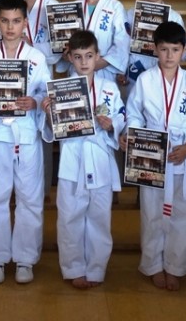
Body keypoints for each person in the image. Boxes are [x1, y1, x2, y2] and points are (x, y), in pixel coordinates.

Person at [124, 21, 186, 291]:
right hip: (151, 152)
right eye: (163, 49)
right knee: (152, 212)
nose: (169, 55)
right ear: (155, 49)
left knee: (185, 213)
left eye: (175, 49)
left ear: (184, 50)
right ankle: (153, 265)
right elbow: (134, 114)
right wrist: (136, 137)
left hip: (184, 153)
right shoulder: (145, 81)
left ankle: (176, 266)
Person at [0, 0, 51, 285]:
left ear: (25, 23)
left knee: (29, 199)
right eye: (5, 21)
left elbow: (46, 94)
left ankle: (25, 259)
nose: (10, 27)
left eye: (16, 21)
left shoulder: (36, 58)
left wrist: (36, 102)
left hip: (27, 134)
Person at [42, 30, 124, 289]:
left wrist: (112, 125)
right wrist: (48, 113)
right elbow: (52, 130)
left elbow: (121, 118)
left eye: (89, 56)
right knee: (69, 217)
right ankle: (74, 268)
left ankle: (97, 269)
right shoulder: (61, 89)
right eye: (78, 57)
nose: (84, 62)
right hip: (72, 158)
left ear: (97, 56)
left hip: (99, 157)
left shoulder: (109, 88)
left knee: (100, 217)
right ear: (70, 58)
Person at [17, 0, 59, 199]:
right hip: (13, 74)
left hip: (42, 73)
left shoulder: (53, 7)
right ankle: (17, 189)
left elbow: (59, 50)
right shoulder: (11, 3)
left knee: (42, 129)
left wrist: (33, 46)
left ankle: (42, 190)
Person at [57, 0, 129, 84]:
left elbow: (122, 42)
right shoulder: (72, 8)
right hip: (77, 70)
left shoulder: (115, 7)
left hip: (104, 71)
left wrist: (97, 63)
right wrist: (65, 53)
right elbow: (64, 43)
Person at [120, 0, 186, 96]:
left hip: (163, 72)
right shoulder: (129, 15)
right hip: (134, 72)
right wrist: (120, 70)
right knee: (134, 105)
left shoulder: (174, 17)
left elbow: (184, 51)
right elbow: (121, 45)